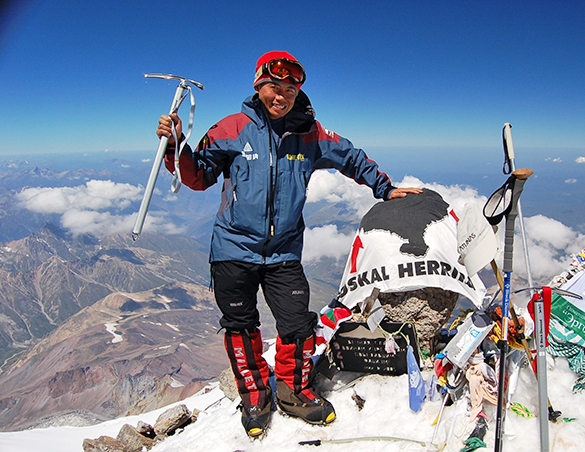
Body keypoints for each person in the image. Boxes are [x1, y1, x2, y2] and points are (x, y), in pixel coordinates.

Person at [156, 50, 421, 438]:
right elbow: (197, 176)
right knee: (240, 326)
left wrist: (386, 188)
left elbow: (350, 156)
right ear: (258, 86)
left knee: (297, 324)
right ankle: (254, 396)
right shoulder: (230, 129)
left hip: (283, 253)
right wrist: (175, 145)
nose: (281, 97)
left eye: (290, 90)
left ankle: (293, 391)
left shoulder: (310, 133)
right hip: (232, 250)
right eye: (274, 88)